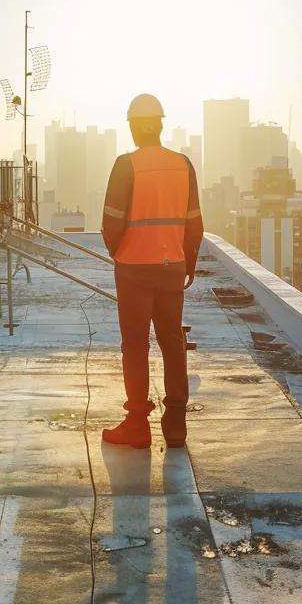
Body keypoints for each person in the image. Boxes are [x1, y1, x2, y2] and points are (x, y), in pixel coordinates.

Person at [100, 93, 203, 450]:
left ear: (132, 127)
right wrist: (187, 261)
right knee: (172, 341)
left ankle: (137, 425)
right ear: (160, 125)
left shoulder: (126, 165)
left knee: (135, 344)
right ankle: (175, 424)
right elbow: (194, 223)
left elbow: (110, 222)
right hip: (171, 266)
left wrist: (121, 253)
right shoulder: (182, 164)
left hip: (133, 269)